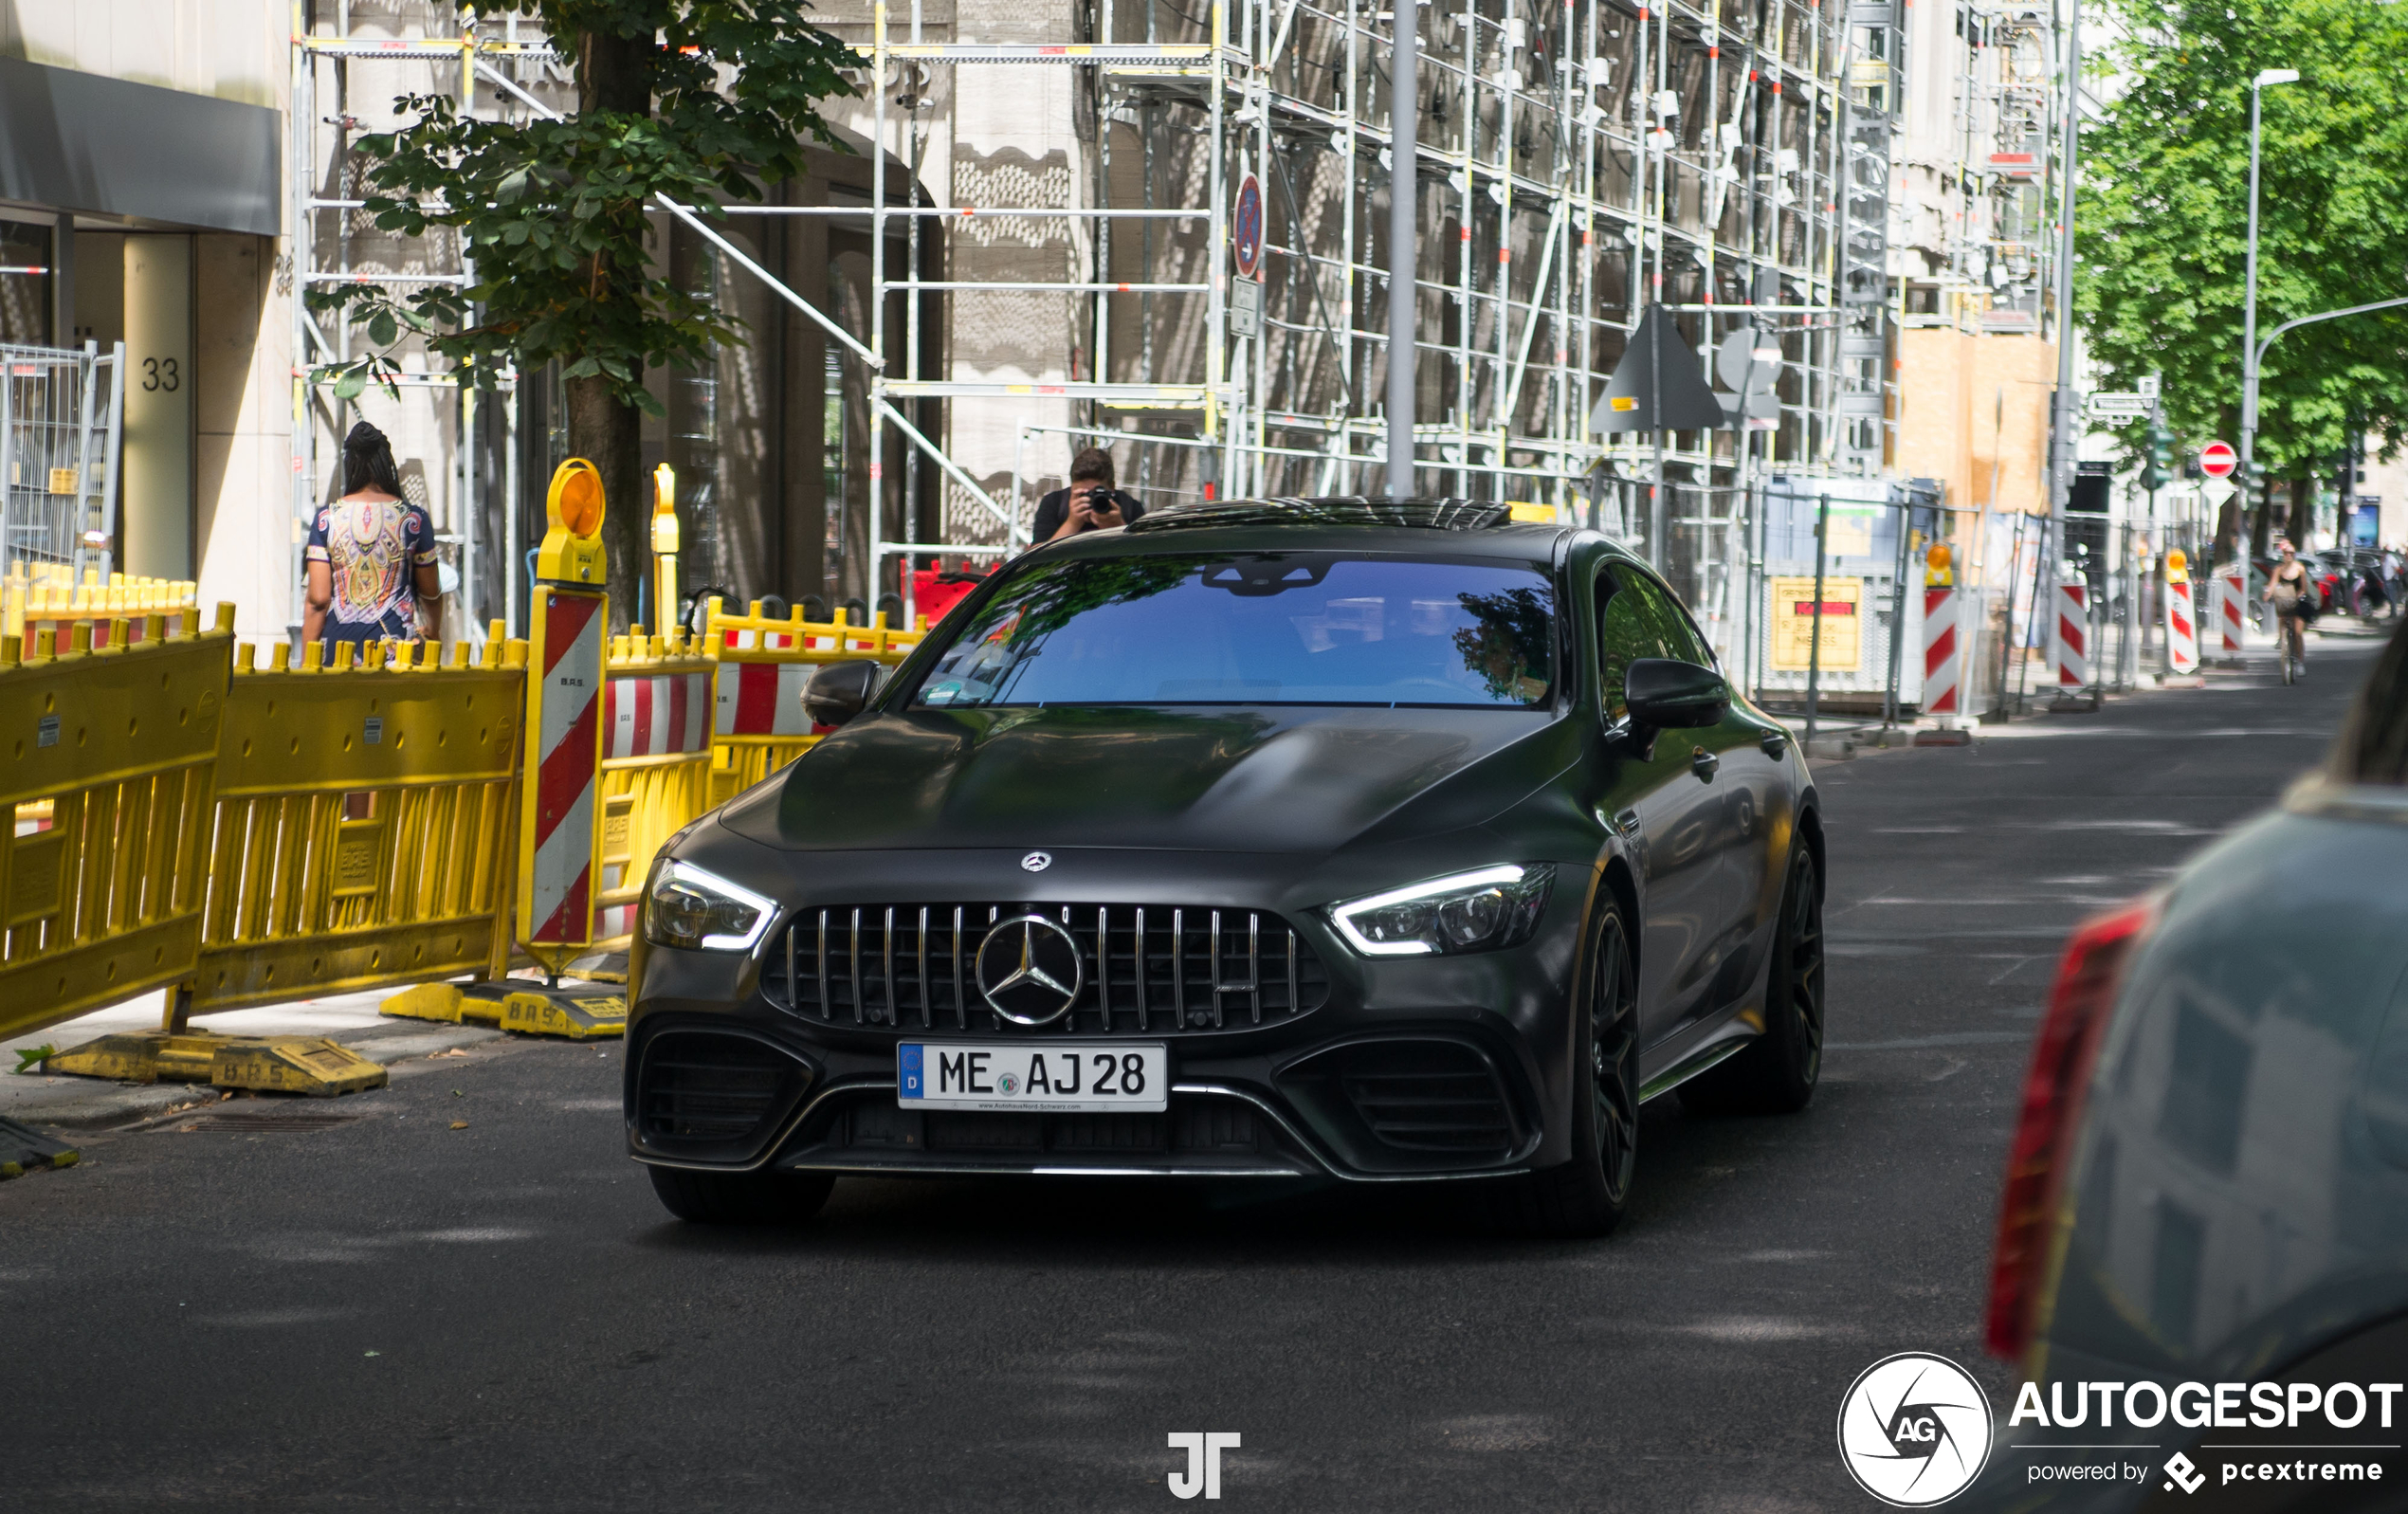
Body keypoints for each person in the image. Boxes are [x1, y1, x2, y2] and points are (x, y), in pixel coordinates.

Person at [302, 421, 441, 653]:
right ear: (388, 465)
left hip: (337, 652)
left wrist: (307, 663)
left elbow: (318, 600)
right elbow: (430, 592)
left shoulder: (327, 519)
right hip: (396, 652)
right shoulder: (414, 520)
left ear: (350, 465)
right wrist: (434, 630)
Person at [1030, 447, 1144, 544]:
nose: (1090, 499)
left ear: (1112, 487)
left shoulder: (1130, 507)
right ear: (1072, 487)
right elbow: (1034, 558)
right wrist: (1072, 523)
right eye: (1083, 494)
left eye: (1097, 493)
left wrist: (1119, 527)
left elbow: (1144, 555)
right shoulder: (1054, 503)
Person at [2265, 538, 2313, 677]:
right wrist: (2268, 594)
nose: (2288, 556)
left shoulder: (2299, 568)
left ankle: (2299, 661)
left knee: (2297, 632)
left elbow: (2304, 588)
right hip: (2286, 599)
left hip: (2298, 600)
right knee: (2282, 616)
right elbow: (2272, 584)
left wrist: (2297, 596)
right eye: (2286, 553)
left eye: (2291, 553)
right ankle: (2282, 639)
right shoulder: (2279, 569)